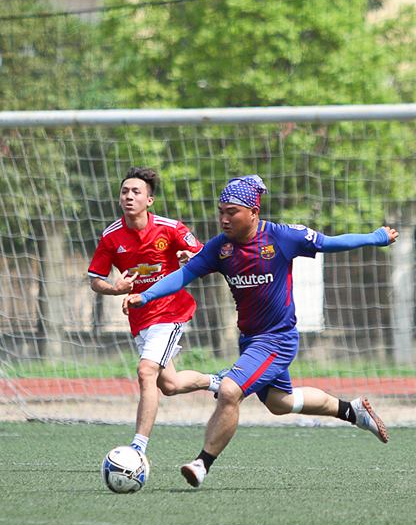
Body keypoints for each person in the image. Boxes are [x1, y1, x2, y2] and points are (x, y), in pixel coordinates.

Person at [124, 174, 396, 488]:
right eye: (221, 212)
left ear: (254, 212)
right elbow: (183, 276)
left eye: (232, 212)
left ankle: (202, 463)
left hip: (278, 340)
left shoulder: (282, 237)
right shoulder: (220, 248)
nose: (224, 219)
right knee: (281, 403)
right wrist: (146, 296)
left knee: (230, 391)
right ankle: (352, 411)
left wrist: (375, 237)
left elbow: (330, 243)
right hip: (250, 340)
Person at [88, 167, 223, 457]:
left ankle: (137, 448)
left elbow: (206, 257)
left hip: (171, 312)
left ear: (149, 200)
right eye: (125, 191)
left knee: (146, 371)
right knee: (169, 385)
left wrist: (191, 256)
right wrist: (116, 288)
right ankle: (217, 382)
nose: (129, 196)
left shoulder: (170, 228)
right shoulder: (111, 237)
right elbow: (95, 280)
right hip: (140, 318)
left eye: (136, 192)